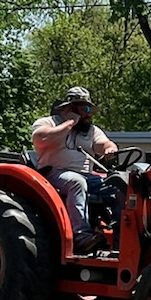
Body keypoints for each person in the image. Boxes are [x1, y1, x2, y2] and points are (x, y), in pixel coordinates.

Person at [31, 87, 119, 252]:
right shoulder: (48, 123)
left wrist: (109, 148)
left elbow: (103, 143)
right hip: (53, 175)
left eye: (90, 110)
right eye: (85, 109)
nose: (89, 114)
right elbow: (40, 138)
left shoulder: (91, 131)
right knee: (76, 182)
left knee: (120, 187)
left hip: (87, 176)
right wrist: (70, 123)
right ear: (71, 108)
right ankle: (81, 237)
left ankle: (121, 242)